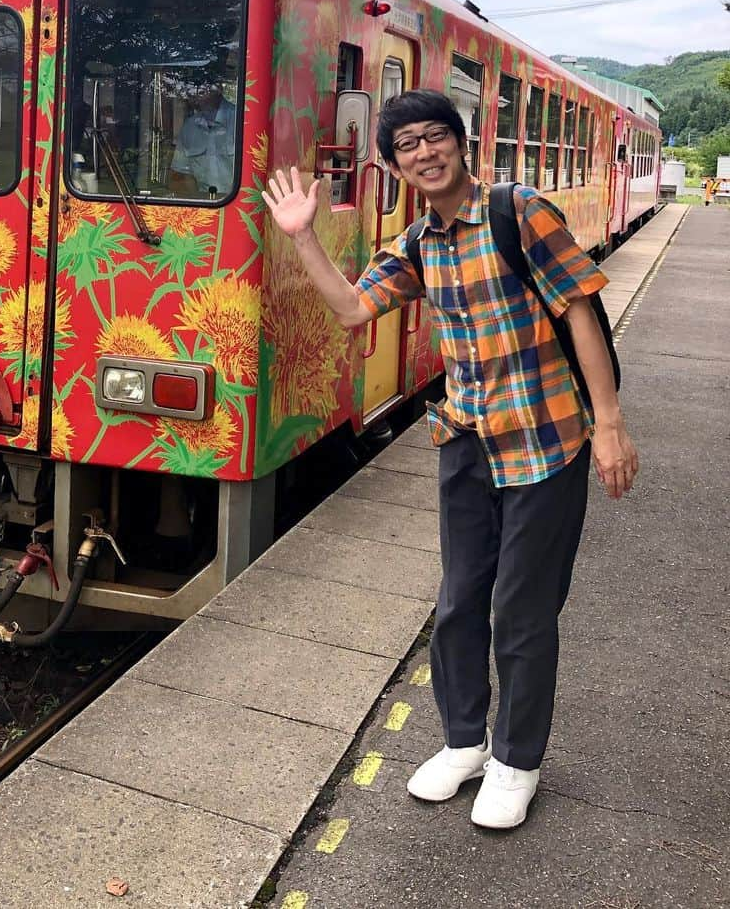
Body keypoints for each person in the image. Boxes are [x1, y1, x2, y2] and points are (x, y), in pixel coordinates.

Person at [263, 88, 639, 830]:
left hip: (547, 438)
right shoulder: (417, 244)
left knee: (522, 611)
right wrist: (302, 237)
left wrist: (609, 424)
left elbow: (581, 312)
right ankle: (465, 742)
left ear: (461, 145)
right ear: (394, 163)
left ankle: (516, 760)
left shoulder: (518, 210)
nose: (425, 153)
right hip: (466, 439)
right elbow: (350, 311)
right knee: (460, 602)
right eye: (407, 145)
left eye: (437, 137)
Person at [169, 71, 237, 198]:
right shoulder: (189, 127)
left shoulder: (241, 120)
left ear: (219, 89)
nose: (194, 93)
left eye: (202, 88)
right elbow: (181, 174)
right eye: (191, 88)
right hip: (204, 208)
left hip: (238, 206)